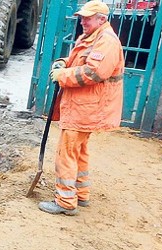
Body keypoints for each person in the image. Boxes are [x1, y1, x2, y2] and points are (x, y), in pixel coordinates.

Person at [39, 0, 124, 215]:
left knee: (66, 152)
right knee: (79, 150)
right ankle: (81, 193)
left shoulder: (107, 42)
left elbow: (93, 73)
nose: (82, 21)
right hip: (84, 106)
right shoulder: (93, 36)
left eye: (87, 18)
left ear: (101, 19)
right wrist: (63, 62)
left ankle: (65, 202)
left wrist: (63, 76)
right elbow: (79, 60)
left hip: (86, 107)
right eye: (82, 17)